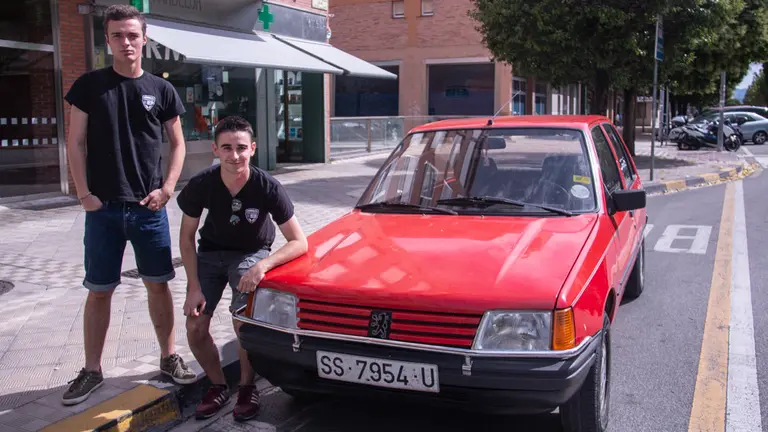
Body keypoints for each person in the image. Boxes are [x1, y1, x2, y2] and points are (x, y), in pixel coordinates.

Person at [62, 4, 196, 406]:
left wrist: (168, 188)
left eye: (132, 35)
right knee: (99, 290)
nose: (126, 42)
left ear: (143, 39)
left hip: (148, 208)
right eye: (118, 35)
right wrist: (84, 193)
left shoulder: (161, 89)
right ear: (108, 40)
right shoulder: (89, 86)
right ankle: (92, 370)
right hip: (102, 210)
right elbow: (75, 142)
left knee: (158, 284)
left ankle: (169, 356)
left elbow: (178, 144)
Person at [177, 116, 308, 422]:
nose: (233, 155)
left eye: (240, 148)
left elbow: (299, 241)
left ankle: (247, 387)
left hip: (251, 254)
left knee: (244, 324)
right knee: (195, 326)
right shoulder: (202, 183)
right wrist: (193, 286)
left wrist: (262, 266)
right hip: (209, 255)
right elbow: (186, 237)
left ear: (252, 148)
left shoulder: (267, 186)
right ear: (215, 149)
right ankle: (218, 385)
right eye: (226, 148)